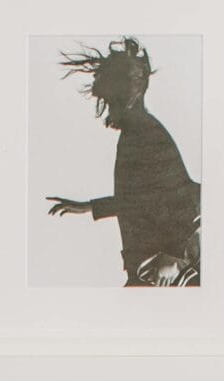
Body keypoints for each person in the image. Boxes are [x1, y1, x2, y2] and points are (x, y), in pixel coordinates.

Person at [44, 38, 203, 287]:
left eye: (105, 94)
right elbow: (143, 198)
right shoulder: (137, 130)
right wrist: (89, 207)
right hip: (150, 265)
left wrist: (175, 255)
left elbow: (182, 195)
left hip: (162, 268)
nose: (100, 97)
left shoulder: (144, 132)